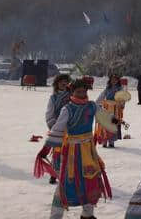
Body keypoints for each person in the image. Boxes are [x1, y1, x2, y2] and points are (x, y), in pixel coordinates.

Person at [35, 78, 113, 219]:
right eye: (78, 91)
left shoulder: (92, 106)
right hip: (72, 152)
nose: (82, 94)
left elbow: (104, 116)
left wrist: (115, 121)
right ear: (72, 92)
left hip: (89, 152)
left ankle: (88, 214)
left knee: (91, 180)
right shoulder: (68, 109)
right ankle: (56, 215)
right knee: (65, 183)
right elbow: (58, 128)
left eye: (84, 91)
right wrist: (47, 147)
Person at [45, 74, 71, 185]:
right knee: (57, 152)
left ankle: (69, 175)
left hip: (70, 128)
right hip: (58, 128)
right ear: (57, 84)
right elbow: (49, 113)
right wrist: (53, 126)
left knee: (70, 152)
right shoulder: (53, 97)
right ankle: (54, 174)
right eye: (61, 82)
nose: (63, 84)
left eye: (66, 82)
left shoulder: (72, 96)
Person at [95, 74, 125, 148]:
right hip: (106, 108)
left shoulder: (120, 89)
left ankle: (111, 141)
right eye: (112, 79)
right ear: (110, 80)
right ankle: (104, 141)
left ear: (118, 80)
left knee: (113, 124)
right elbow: (102, 96)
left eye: (115, 79)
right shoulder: (107, 88)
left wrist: (122, 104)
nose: (114, 81)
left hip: (115, 109)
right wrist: (97, 103)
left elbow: (122, 98)